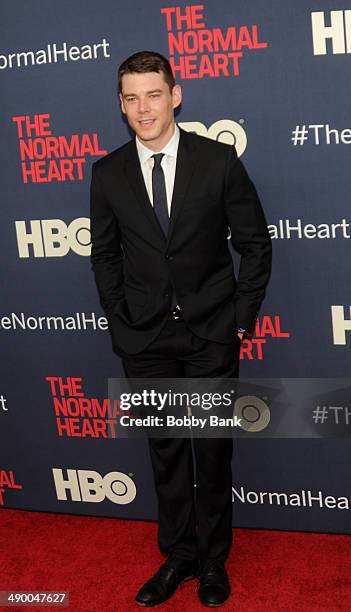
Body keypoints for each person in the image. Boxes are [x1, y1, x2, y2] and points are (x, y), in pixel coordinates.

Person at [90, 50, 272, 607]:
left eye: (152, 94)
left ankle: (214, 559)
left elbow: (255, 245)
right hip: (145, 342)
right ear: (121, 106)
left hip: (210, 335)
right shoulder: (108, 172)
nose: (143, 108)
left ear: (176, 94)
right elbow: (105, 257)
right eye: (130, 98)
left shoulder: (218, 162)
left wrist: (238, 322)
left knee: (212, 451)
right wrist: (122, 324)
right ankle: (179, 555)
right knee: (166, 453)